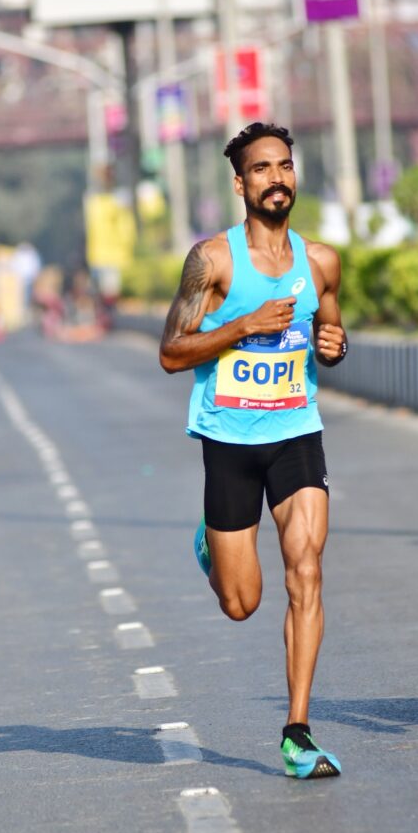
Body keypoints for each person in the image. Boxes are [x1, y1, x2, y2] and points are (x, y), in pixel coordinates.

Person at [160, 122, 348, 779]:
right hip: (230, 443)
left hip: (296, 433)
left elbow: (330, 324)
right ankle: (211, 547)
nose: (277, 178)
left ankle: (297, 731)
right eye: (262, 169)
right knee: (242, 603)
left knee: (308, 572)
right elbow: (170, 353)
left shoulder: (320, 260)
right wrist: (241, 326)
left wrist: (334, 344)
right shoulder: (211, 262)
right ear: (240, 184)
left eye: (285, 166)